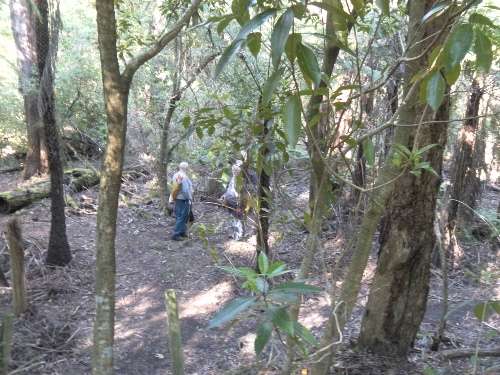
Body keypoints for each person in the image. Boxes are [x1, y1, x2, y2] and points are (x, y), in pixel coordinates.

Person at [220, 161, 245, 240]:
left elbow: (239, 194)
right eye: (233, 170)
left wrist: (239, 206)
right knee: (232, 219)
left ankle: (239, 236)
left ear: (240, 171)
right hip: (229, 202)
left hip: (235, 203)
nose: (234, 172)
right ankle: (235, 234)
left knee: (236, 219)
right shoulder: (233, 178)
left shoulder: (239, 180)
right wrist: (225, 195)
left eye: (236, 170)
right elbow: (230, 188)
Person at [171, 162, 193, 241]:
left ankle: (182, 232)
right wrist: (190, 198)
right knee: (182, 216)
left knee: (180, 216)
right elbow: (185, 190)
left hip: (177, 198)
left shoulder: (175, 175)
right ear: (186, 168)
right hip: (183, 199)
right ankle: (176, 234)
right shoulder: (184, 177)